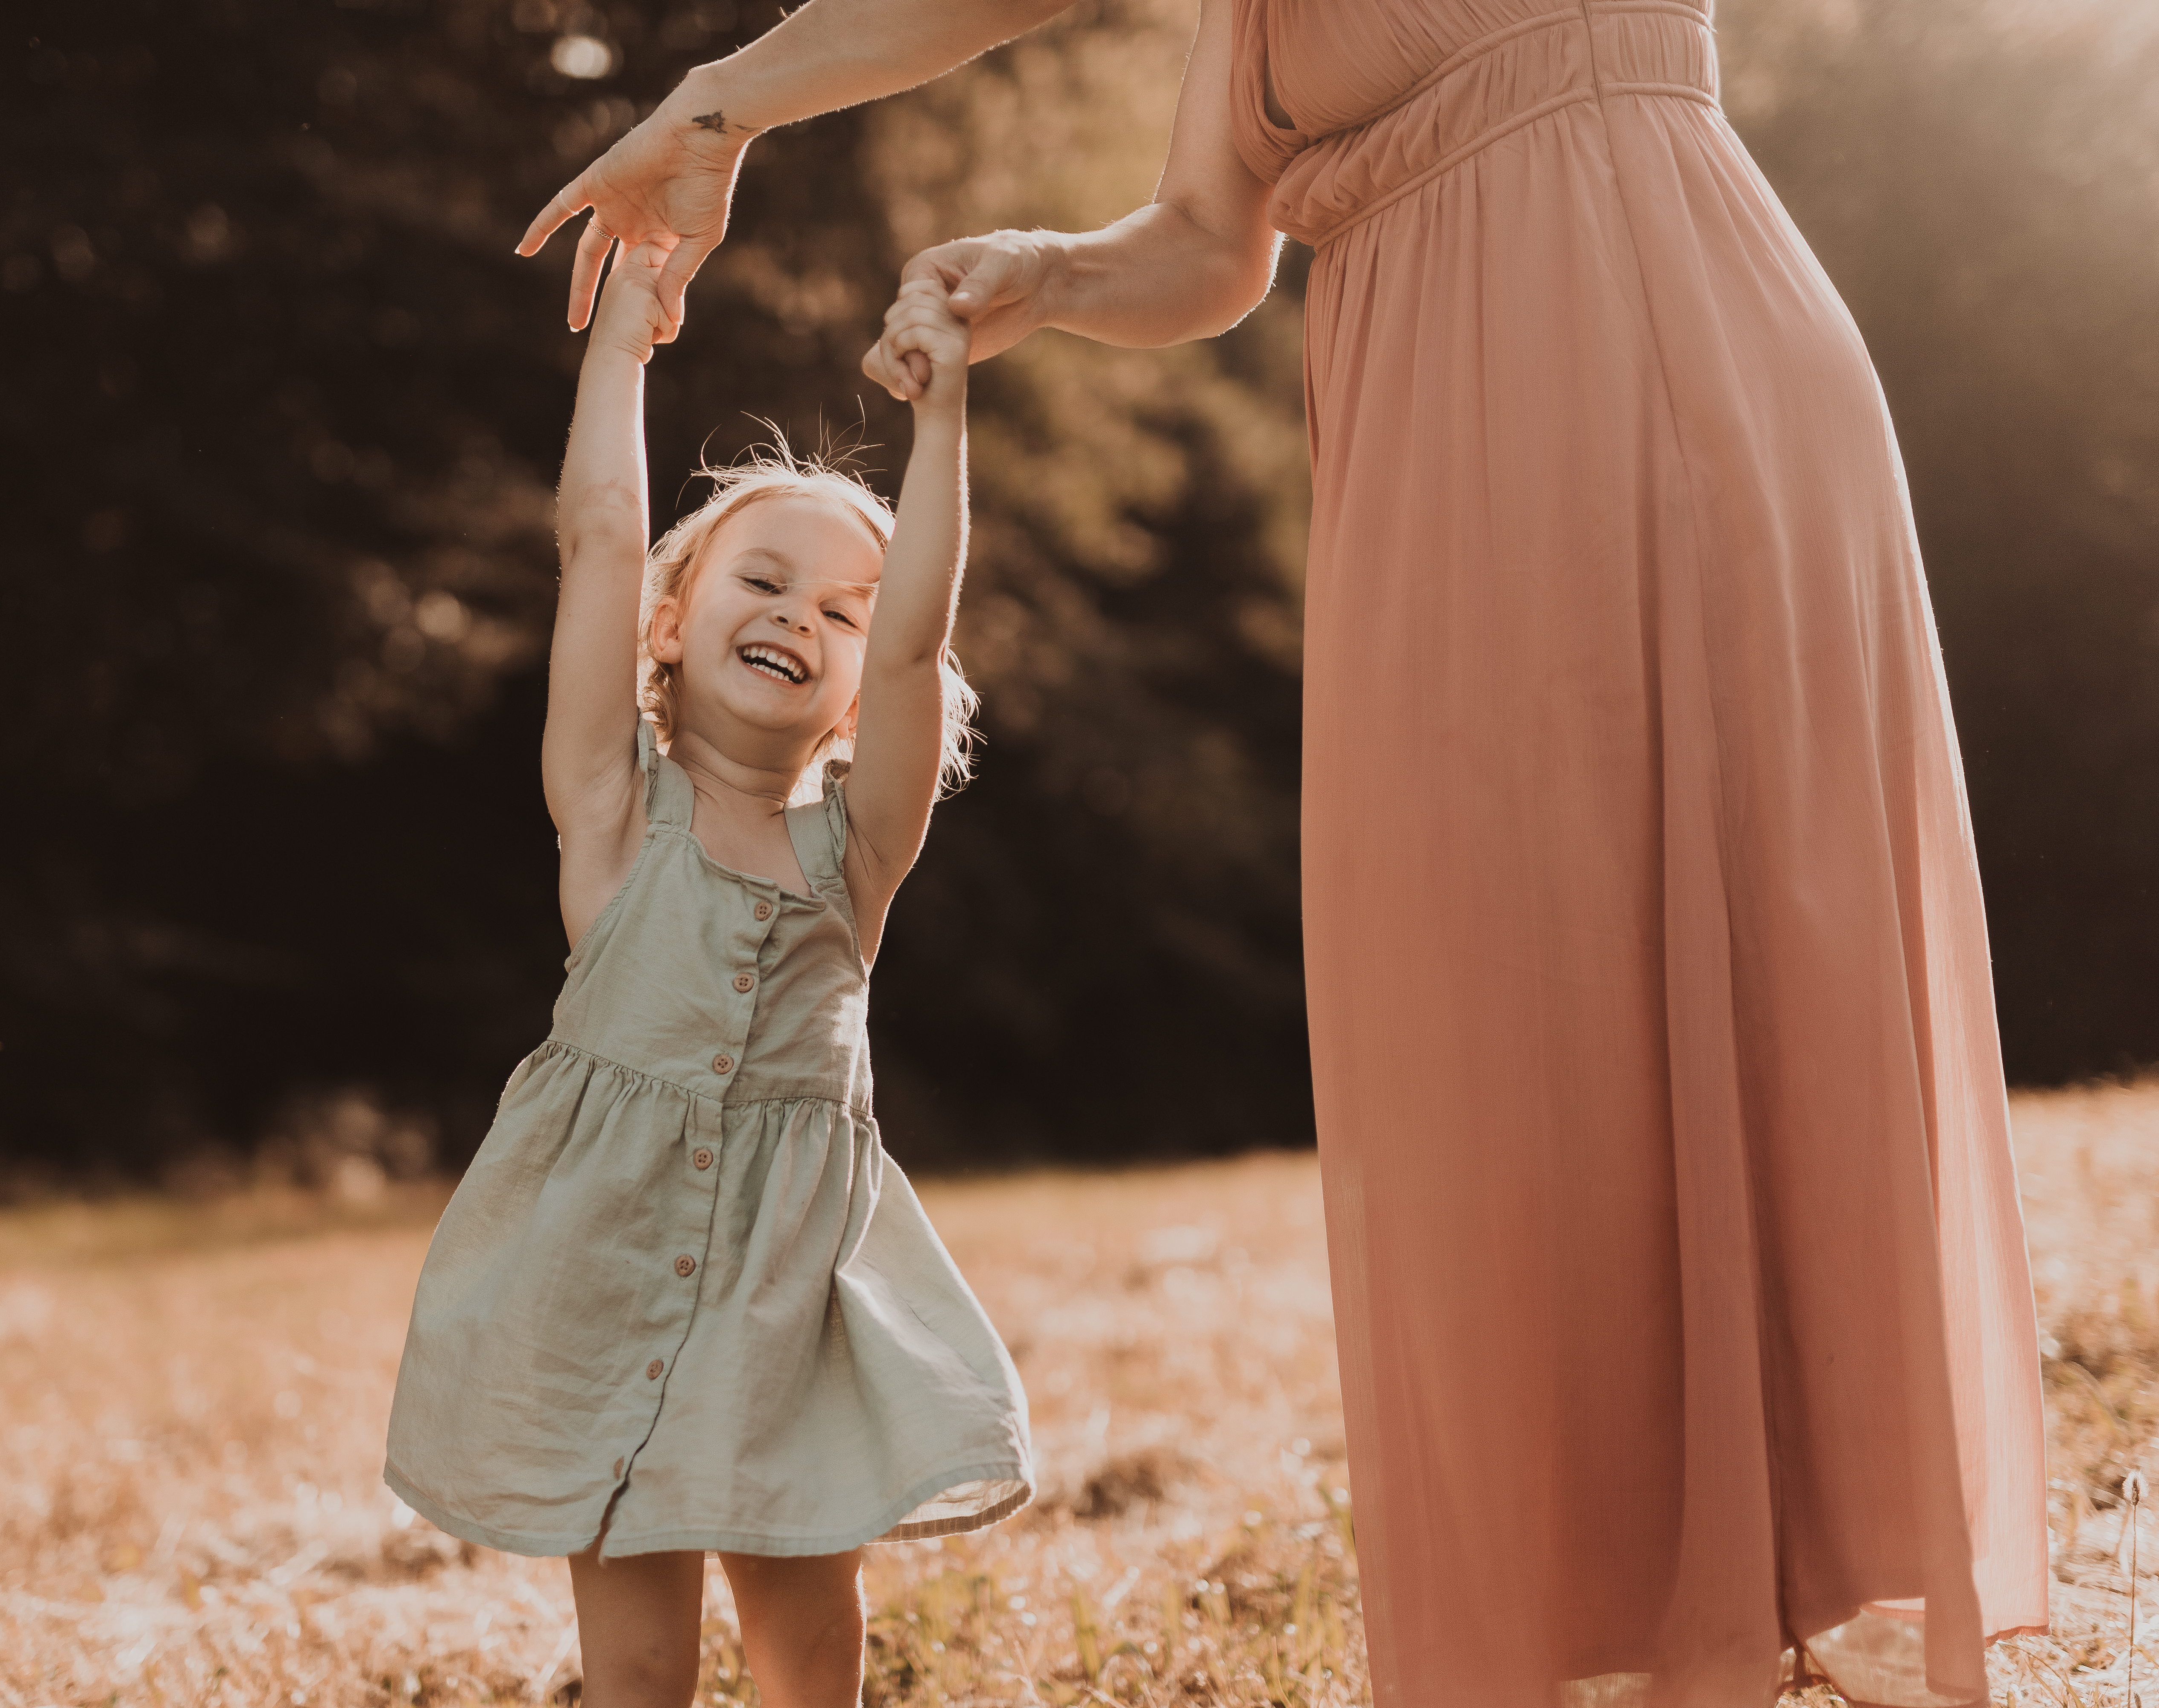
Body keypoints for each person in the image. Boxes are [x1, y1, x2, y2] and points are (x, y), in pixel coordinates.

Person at [526, 1, 2057, 1705]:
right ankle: (1635, 1621)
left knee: (1703, 957)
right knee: (1496, 1025)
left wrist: (725, 102)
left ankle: (1768, 1593)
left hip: (1650, 345)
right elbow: (1209, 243)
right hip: (1432, 441)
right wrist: (1051, 272)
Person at [382, 240, 1030, 1708]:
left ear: (864, 689)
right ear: (674, 624)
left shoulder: (857, 852)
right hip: (600, 1284)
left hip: (781, 1304)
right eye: (765, 577)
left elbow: (927, 636)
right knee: (638, 1661)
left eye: (839, 609)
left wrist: (943, 422)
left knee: (810, 1633)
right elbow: (605, 535)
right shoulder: (609, 808)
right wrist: (622, 350)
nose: (802, 614)